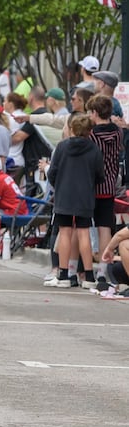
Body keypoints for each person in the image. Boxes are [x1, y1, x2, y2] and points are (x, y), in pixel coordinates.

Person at [44, 113, 103, 289]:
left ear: (71, 128)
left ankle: (63, 274)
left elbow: (52, 172)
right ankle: (89, 276)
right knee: (84, 233)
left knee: (65, 233)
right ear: (89, 131)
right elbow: (99, 175)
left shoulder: (62, 147)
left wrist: (59, 185)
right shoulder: (94, 149)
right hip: (85, 196)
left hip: (64, 195)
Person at [87, 94, 122, 290]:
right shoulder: (117, 132)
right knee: (104, 228)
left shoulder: (91, 135)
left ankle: (82, 270)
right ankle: (103, 271)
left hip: (92, 186)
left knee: (83, 228)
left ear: (94, 112)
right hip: (109, 187)